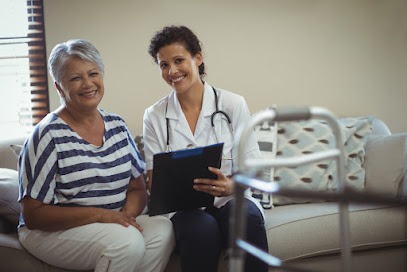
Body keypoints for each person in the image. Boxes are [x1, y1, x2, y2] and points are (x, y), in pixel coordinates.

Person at [17, 39, 175, 272]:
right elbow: (34, 215)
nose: (88, 84)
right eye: (75, 78)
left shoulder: (117, 125)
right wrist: (101, 216)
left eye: (93, 73)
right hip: (51, 232)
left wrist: (126, 217)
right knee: (126, 243)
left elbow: (137, 188)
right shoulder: (47, 135)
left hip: (112, 221)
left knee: (163, 230)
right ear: (59, 87)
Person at [144, 25, 269, 272]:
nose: (172, 71)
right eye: (163, 65)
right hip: (185, 209)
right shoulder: (155, 116)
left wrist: (231, 186)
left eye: (179, 60)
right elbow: (153, 180)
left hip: (231, 198)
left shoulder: (232, 104)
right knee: (201, 229)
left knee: (245, 219)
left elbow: (253, 168)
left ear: (197, 58)